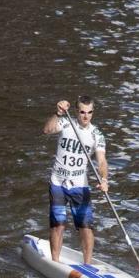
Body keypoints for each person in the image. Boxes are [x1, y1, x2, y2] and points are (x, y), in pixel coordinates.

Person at [43, 96, 109, 264]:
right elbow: (47, 130)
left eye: (89, 112)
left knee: (86, 227)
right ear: (76, 112)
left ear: (93, 113)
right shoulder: (66, 123)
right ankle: (55, 263)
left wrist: (104, 178)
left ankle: (87, 264)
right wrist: (57, 114)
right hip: (58, 181)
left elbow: (101, 161)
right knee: (58, 223)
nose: (86, 116)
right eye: (82, 112)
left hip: (80, 185)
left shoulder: (97, 135)